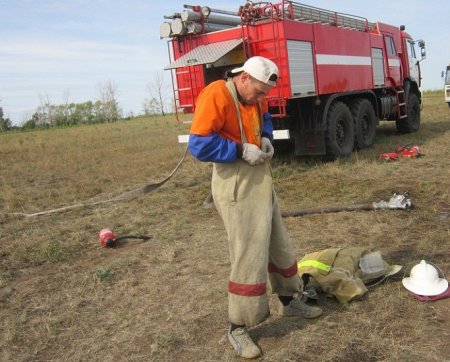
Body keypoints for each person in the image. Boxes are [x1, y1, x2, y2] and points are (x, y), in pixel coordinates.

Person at [188, 56, 322, 359]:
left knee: (278, 242)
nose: (263, 99)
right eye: (259, 92)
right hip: (234, 183)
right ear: (244, 78)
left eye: (266, 94)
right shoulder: (216, 95)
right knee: (248, 253)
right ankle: (238, 327)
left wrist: (264, 137)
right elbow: (198, 145)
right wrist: (239, 149)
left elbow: (265, 118)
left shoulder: (257, 96)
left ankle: (290, 300)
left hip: (261, 178)